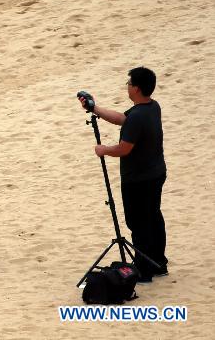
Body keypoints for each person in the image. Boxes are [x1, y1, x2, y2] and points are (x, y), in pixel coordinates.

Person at [78, 66, 168, 282]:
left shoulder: (138, 116)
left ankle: (144, 269)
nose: (127, 87)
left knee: (138, 223)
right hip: (155, 173)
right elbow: (121, 118)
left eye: (128, 84)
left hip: (139, 179)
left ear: (136, 88)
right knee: (153, 217)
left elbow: (124, 149)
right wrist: (94, 108)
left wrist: (104, 150)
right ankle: (158, 263)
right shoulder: (151, 107)